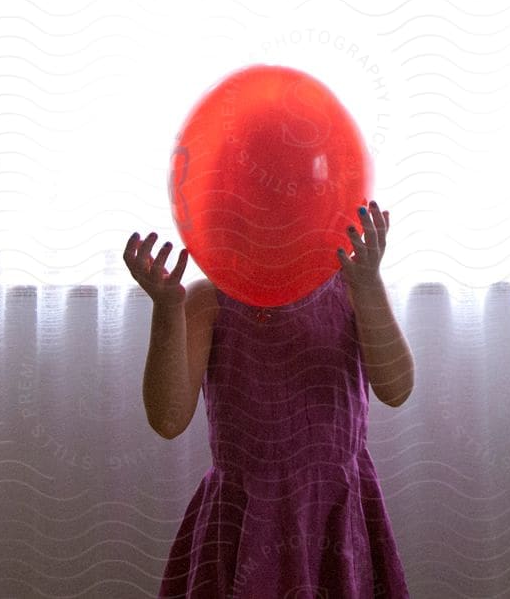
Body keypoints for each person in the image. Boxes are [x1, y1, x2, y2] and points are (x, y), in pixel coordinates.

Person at [125, 200, 414, 598]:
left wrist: (368, 285)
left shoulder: (350, 290)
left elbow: (396, 389)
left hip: (333, 511)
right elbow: (168, 418)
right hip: (244, 520)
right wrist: (166, 307)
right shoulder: (208, 299)